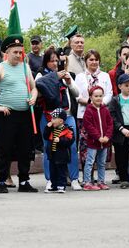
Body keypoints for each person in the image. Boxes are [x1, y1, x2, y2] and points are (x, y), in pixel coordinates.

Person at [0, 34, 38, 193]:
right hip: (7, 115)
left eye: (20, 52)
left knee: (25, 149)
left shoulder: (26, 67)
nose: (19, 55)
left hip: (25, 114)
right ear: (7, 52)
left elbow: (33, 87)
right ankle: (2, 181)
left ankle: (24, 180)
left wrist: (33, 97)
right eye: (15, 52)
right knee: (4, 148)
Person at [35, 48, 81, 191]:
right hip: (49, 116)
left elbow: (77, 93)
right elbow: (37, 87)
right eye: (51, 61)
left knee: (72, 146)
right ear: (46, 62)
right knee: (49, 147)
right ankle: (50, 180)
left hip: (67, 115)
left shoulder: (65, 74)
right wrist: (54, 77)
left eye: (56, 60)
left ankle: (74, 179)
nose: (55, 63)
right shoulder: (41, 74)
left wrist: (69, 81)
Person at [82, 86, 113, 191]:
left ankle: (101, 181)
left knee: (102, 163)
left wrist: (107, 136)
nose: (98, 98)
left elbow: (110, 124)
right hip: (93, 142)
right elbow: (88, 126)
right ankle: (87, 182)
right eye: (96, 96)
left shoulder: (105, 109)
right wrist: (98, 137)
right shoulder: (89, 110)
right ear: (91, 97)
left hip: (104, 142)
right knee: (90, 162)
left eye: (100, 96)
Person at [43, 108, 75, 193]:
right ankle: (54, 186)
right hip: (52, 154)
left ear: (61, 121)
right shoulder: (51, 129)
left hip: (62, 155)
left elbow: (70, 140)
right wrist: (47, 127)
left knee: (61, 171)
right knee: (52, 171)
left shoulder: (68, 129)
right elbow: (45, 136)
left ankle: (61, 185)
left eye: (54, 118)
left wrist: (61, 140)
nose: (51, 120)